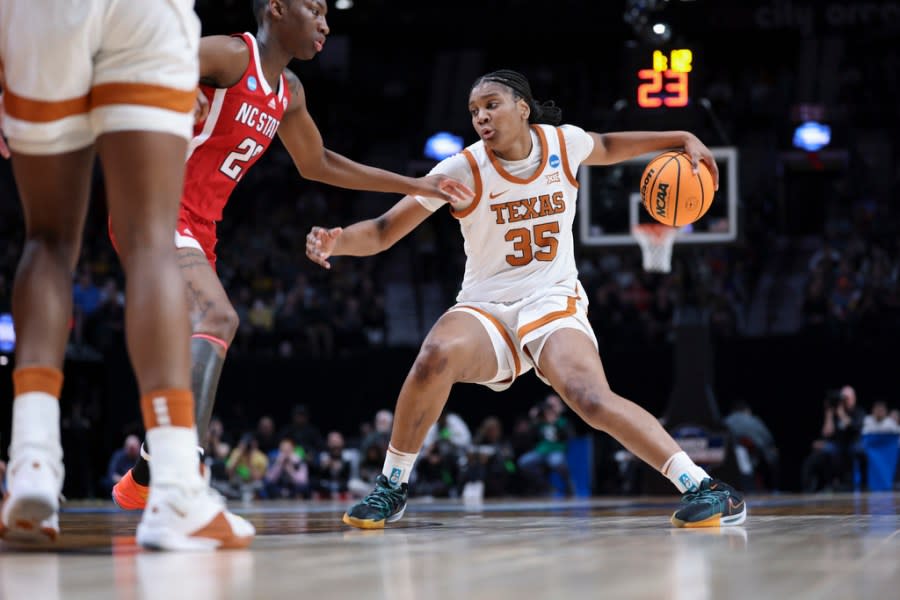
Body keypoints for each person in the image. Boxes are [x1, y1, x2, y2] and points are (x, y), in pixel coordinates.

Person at [306, 69, 747, 529]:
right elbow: (381, 231)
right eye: (474, 111)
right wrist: (338, 242)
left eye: (491, 104)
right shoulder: (463, 168)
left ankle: (706, 487)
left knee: (588, 397)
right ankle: (391, 486)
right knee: (434, 355)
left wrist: (681, 136)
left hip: (552, 298)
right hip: (486, 306)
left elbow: (612, 146)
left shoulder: (563, 144)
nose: (481, 116)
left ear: (522, 107)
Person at [111, 0, 472, 510]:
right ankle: (180, 478)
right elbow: (148, 66)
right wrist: (173, 92)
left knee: (187, 349)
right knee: (218, 315)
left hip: (200, 227)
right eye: (316, 9)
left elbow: (319, 162)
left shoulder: (289, 93)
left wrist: (417, 184)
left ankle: (146, 472)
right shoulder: (234, 55)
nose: (326, 22)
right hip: (153, 205)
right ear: (276, 9)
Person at [0, 0, 253, 549]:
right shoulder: (236, 55)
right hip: (147, 14)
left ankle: (32, 462)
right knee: (150, 243)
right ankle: (177, 491)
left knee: (47, 239)